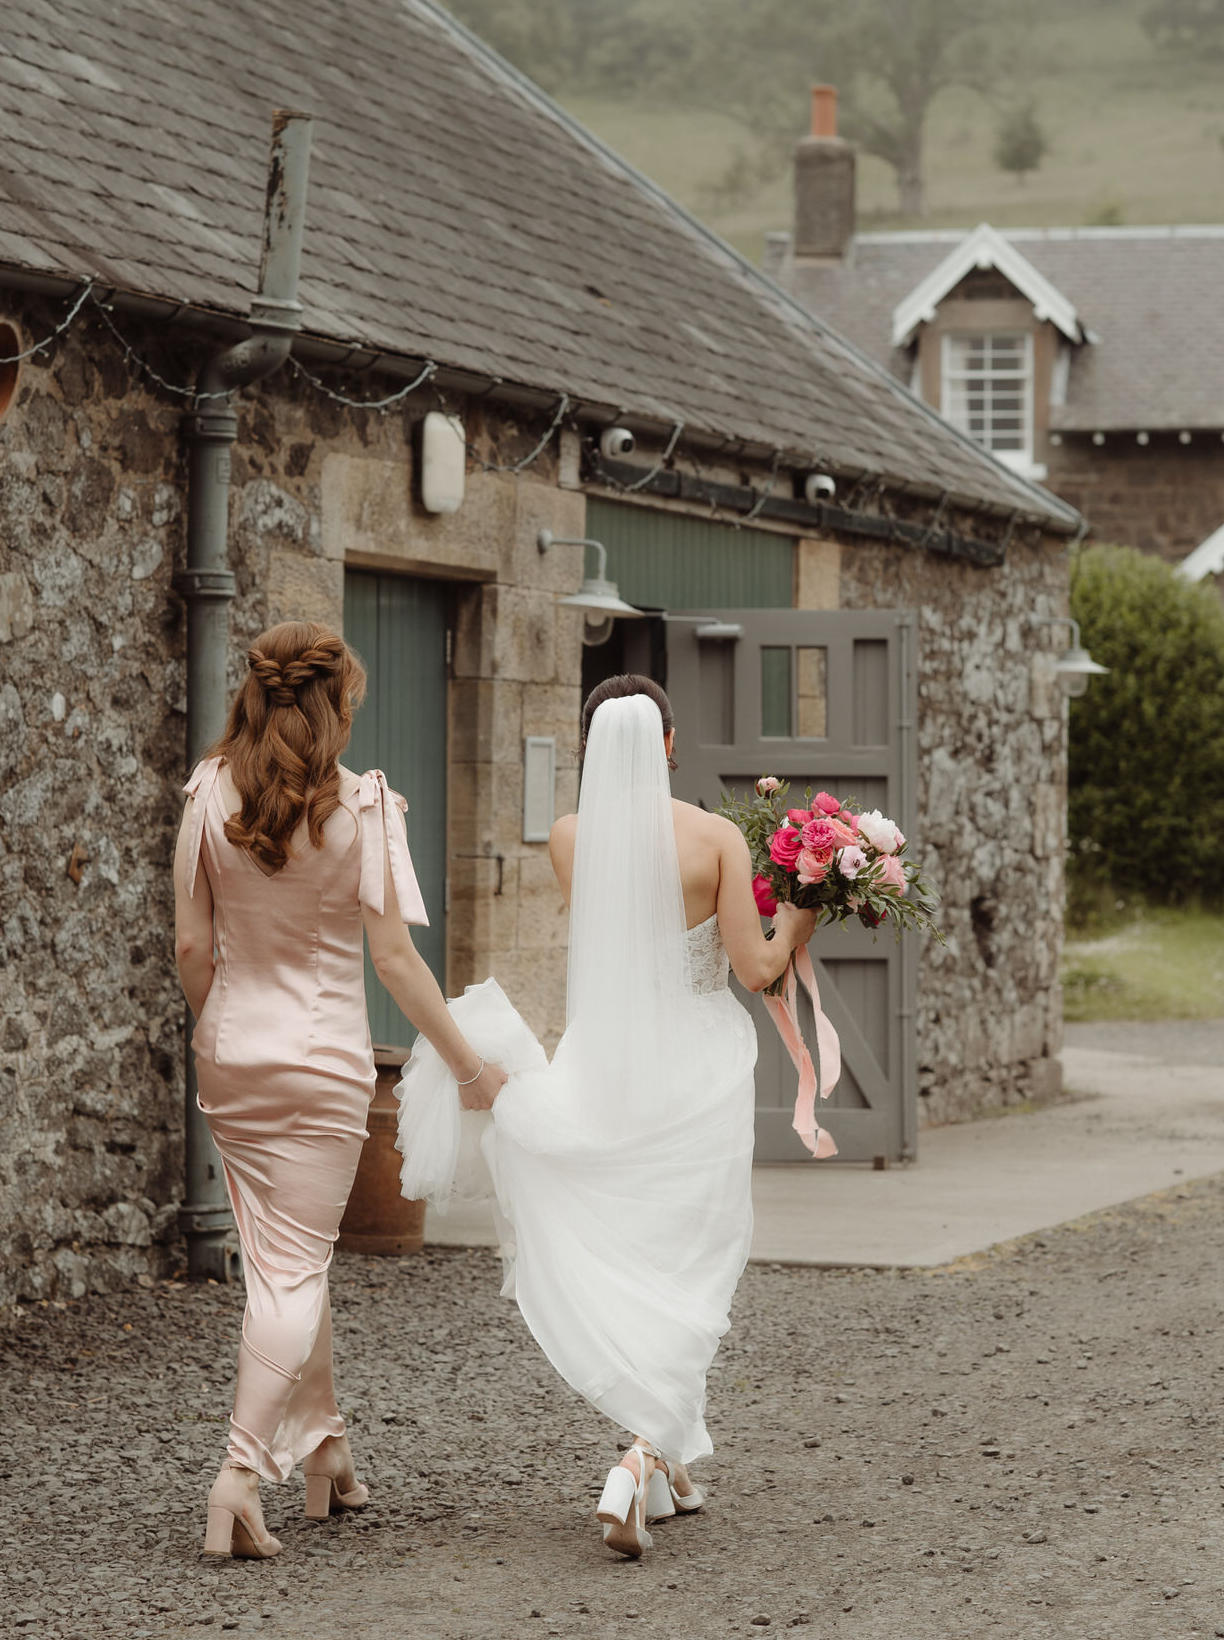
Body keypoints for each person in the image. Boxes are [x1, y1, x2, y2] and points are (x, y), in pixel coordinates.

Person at [402, 673, 817, 1560]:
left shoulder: (567, 838)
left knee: (637, 1254)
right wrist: (808, 908)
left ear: (591, 750)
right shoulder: (714, 840)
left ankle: (668, 1462)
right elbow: (759, 971)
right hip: (695, 1068)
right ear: (667, 744)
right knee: (693, 1261)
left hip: (602, 1060)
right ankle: (635, 1461)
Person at [173, 621, 505, 1559]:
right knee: (293, 1269)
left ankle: (324, 1450)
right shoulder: (365, 807)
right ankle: (238, 1476)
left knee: (285, 1256)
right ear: (337, 704)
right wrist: (470, 1067)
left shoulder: (205, 791)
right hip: (322, 1063)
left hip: (231, 1054)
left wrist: (220, 1023)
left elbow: (193, 947)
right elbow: (394, 961)